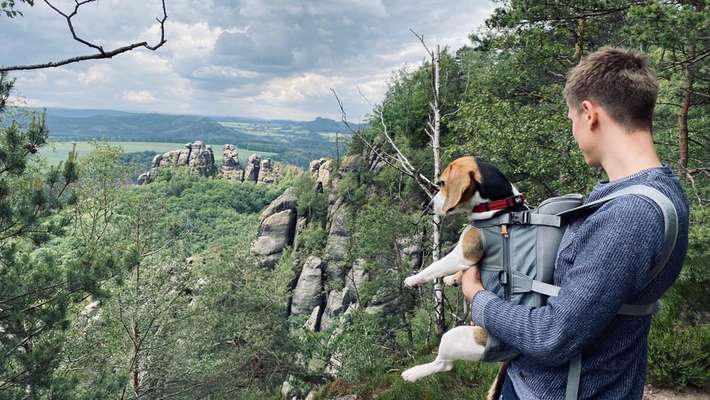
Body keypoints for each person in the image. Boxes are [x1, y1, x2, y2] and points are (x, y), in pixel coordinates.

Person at [461, 47, 690, 399]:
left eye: (571, 119)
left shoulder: (631, 215)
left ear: (589, 113)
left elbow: (552, 335)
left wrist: (477, 296)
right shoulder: (663, 190)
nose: (573, 130)